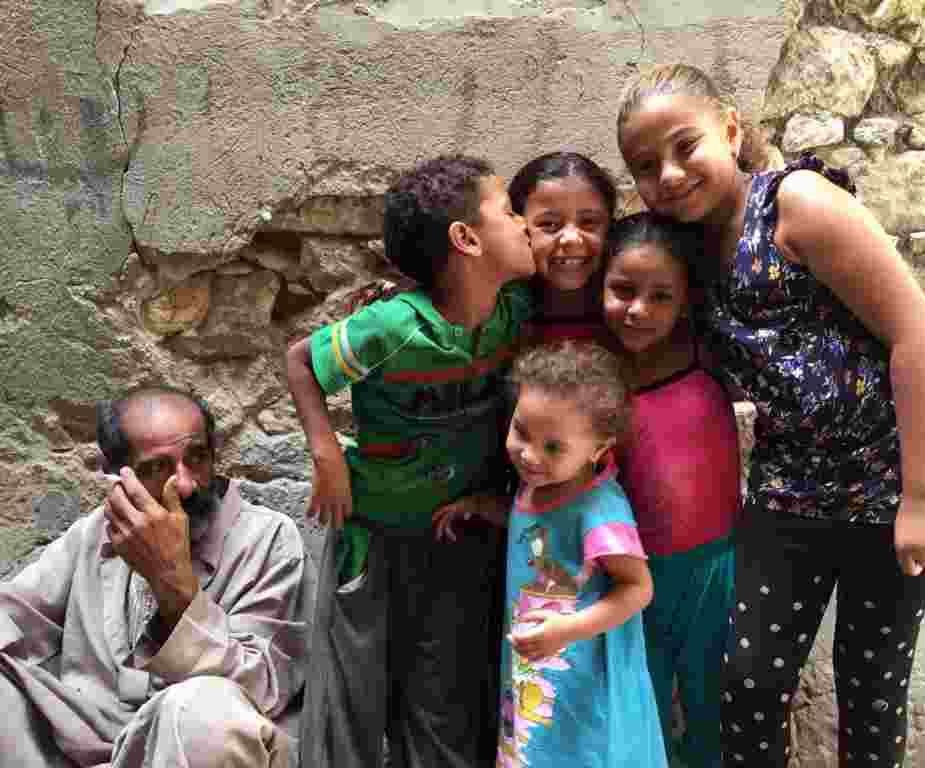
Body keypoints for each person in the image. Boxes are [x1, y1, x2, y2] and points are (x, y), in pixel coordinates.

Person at [615, 63, 925, 767]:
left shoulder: (796, 204)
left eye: (684, 145)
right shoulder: (682, 250)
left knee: (870, 684)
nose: (666, 174)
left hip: (896, 476)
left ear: (729, 129)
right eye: (644, 165)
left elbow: (920, 334)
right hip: (795, 483)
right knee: (747, 682)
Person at [287, 154, 535, 768]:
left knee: (446, 705)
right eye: (509, 211)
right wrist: (327, 455)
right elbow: (301, 362)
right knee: (352, 701)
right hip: (375, 541)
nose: (526, 224)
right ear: (466, 238)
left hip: (456, 542)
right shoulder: (392, 326)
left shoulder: (512, 316)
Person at [0, 387, 313, 768]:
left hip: (197, 743)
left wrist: (171, 578)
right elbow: (12, 614)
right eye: (156, 467)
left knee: (198, 710)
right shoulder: (95, 533)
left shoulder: (267, 538)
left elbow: (259, 688)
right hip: (94, 748)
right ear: (115, 475)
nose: (183, 484)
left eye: (196, 458)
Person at [602, 211, 740, 768]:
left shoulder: (712, 360)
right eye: (623, 290)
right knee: (646, 705)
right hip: (637, 576)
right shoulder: (598, 381)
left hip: (718, 568)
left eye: (661, 296)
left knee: (715, 703)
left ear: (686, 301)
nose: (639, 309)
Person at [488, 340, 665, 768]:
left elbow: (638, 588)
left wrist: (567, 631)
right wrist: (484, 508)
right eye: (521, 432)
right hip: (536, 664)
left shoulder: (599, 510)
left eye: (553, 447)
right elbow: (538, 530)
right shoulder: (537, 485)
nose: (529, 454)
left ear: (599, 448)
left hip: (578, 672)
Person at [508, 151, 617, 346]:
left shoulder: (631, 316)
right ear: (519, 228)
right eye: (549, 224)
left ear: (611, 226)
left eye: (589, 222)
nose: (571, 239)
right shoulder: (498, 320)